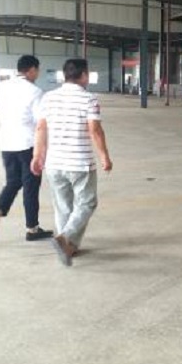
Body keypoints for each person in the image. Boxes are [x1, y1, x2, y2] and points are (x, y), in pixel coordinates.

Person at [31, 58, 113, 267]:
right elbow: (95, 130)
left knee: (63, 206)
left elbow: (40, 128)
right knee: (87, 203)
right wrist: (104, 156)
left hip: (54, 163)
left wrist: (37, 156)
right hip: (80, 163)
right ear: (83, 75)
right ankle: (66, 238)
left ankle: (68, 247)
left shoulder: (48, 98)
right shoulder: (89, 99)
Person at [0, 55, 53, 243]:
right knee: (31, 187)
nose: (37, 74)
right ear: (32, 70)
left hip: (6, 142)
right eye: (37, 70)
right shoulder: (35, 91)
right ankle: (32, 228)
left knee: (12, 182)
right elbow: (40, 123)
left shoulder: (1, 86)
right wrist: (42, 150)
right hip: (27, 144)